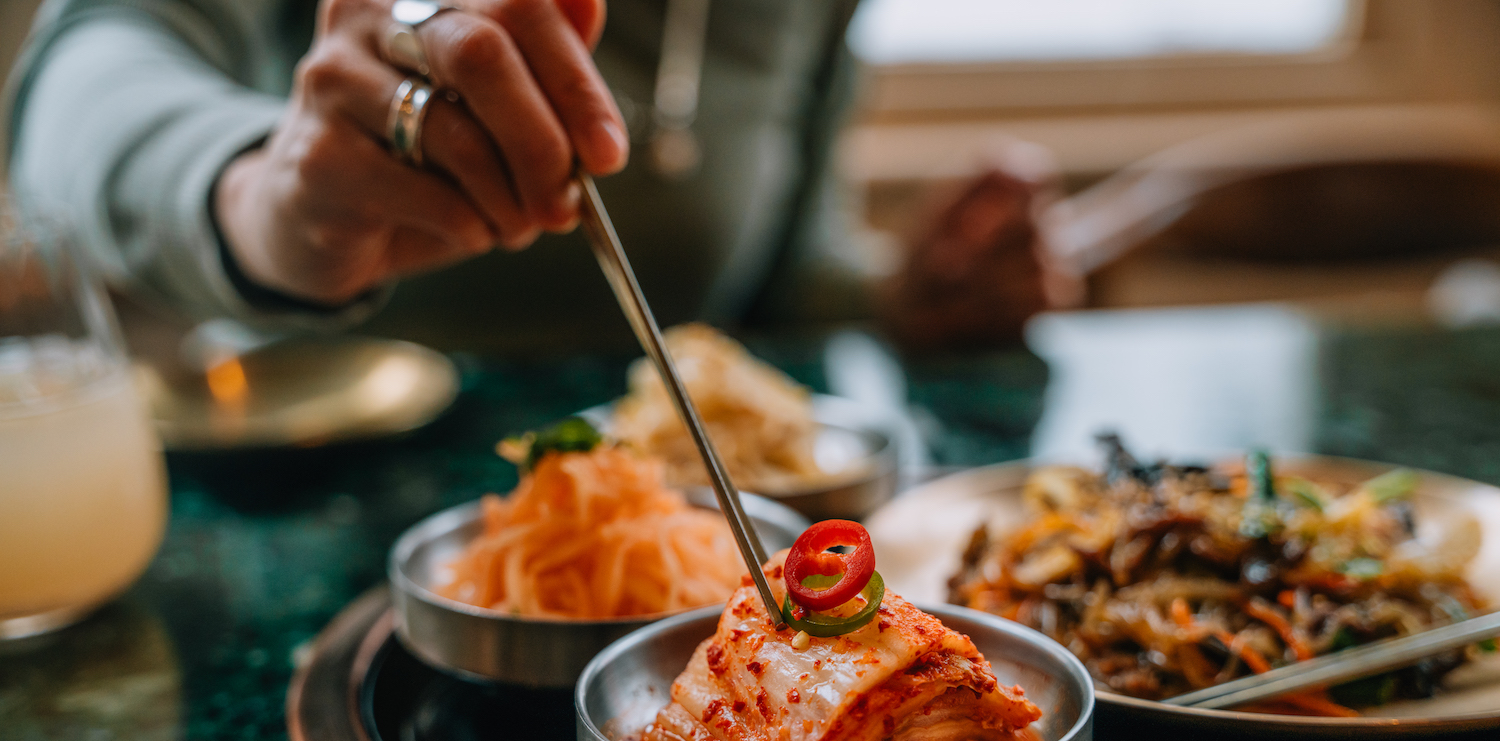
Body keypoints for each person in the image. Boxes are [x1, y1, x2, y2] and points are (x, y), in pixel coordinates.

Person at [6, 0, 1073, 353]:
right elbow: (82, 74)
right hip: (296, 500)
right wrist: (259, 191)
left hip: (659, 568)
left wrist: (900, 294)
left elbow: (776, 259)